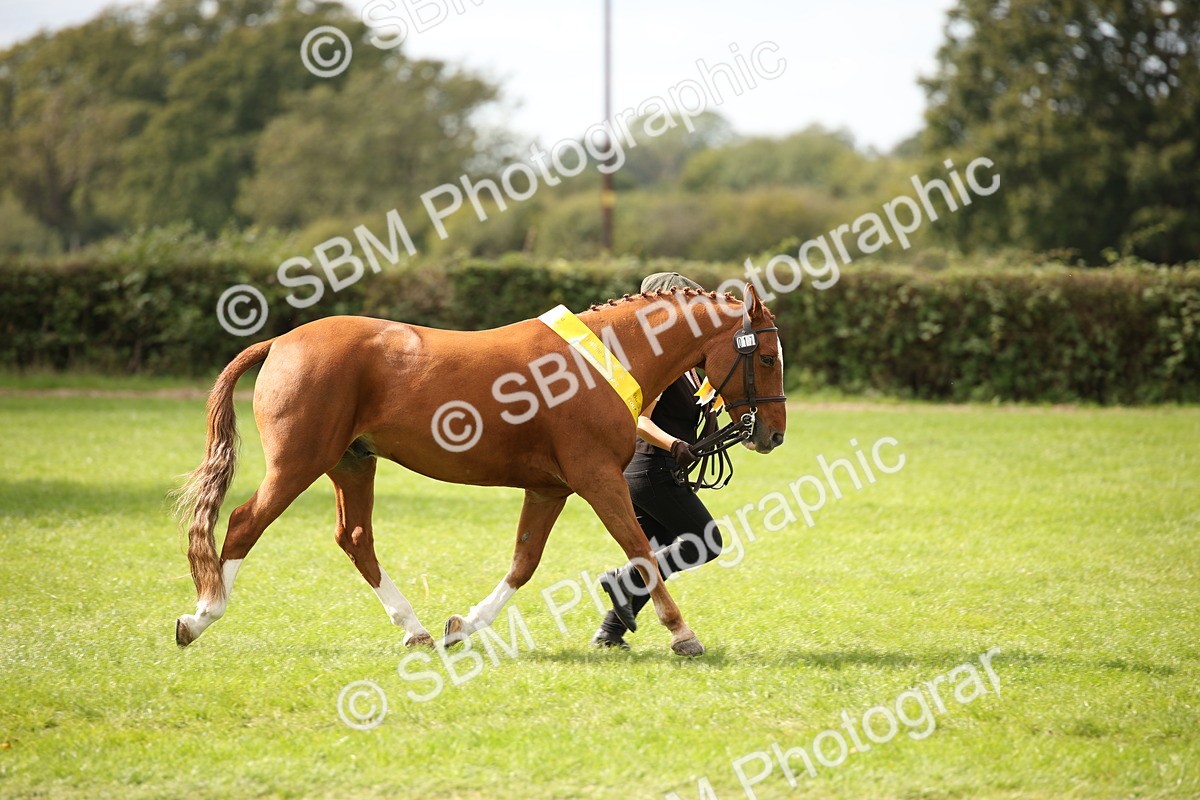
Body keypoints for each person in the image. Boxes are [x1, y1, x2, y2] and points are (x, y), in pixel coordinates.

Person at [593, 272, 725, 649]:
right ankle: (626, 582)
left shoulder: (680, 362)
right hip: (651, 470)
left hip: (655, 470)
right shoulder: (656, 365)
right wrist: (673, 445)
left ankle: (609, 633)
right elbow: (639, 419)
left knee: (650, 548)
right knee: (706, 540)